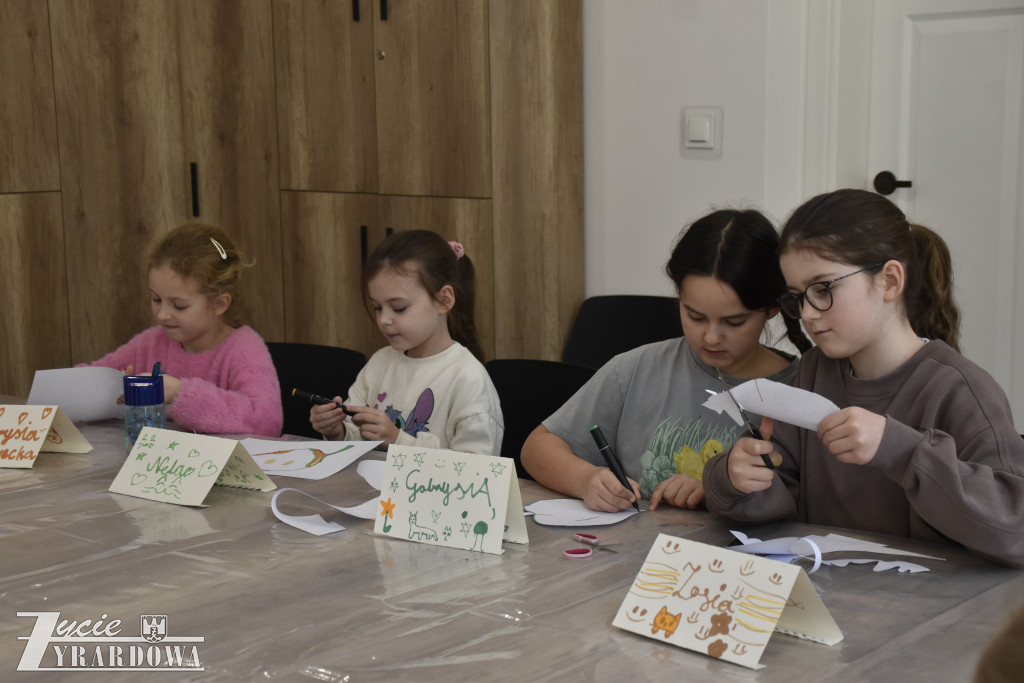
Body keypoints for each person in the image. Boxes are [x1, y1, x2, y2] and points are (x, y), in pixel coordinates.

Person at [703, 189, 1024, 567]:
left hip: (929, 616)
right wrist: (734, 477)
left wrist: (899, 450)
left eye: (823, 289)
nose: (806, 314)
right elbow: (772, 498)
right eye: (797, 297)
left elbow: (1014, 530)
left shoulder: (961, 391)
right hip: (827, 603)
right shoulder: (811, 372)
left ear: (889, 281)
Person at [521, 209, 811, 512]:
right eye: (695, 316)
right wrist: (585, 479)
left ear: (773, 309)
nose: (711, 337)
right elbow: (537, 447)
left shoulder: (803, 389)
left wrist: (716, 489)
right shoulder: (637, 370)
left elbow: (804, 502)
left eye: (734, 322)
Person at [310, 230, 503, 456]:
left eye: (399, 307)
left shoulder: (468, 379)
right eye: (378, 307)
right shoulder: (380, 362)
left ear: (444, 300)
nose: (384, 320)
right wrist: (338, 431)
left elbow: (480, 471)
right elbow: (357, 434)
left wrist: (398, 440)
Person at [88, 223, 282, 436]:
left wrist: (180, 393)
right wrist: (111, 388)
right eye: (156, 299)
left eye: (179, 306)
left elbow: (266, 421)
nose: (162, 314)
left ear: (219, 304)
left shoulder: (244, 348)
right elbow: (89, 379)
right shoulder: (151, 343)